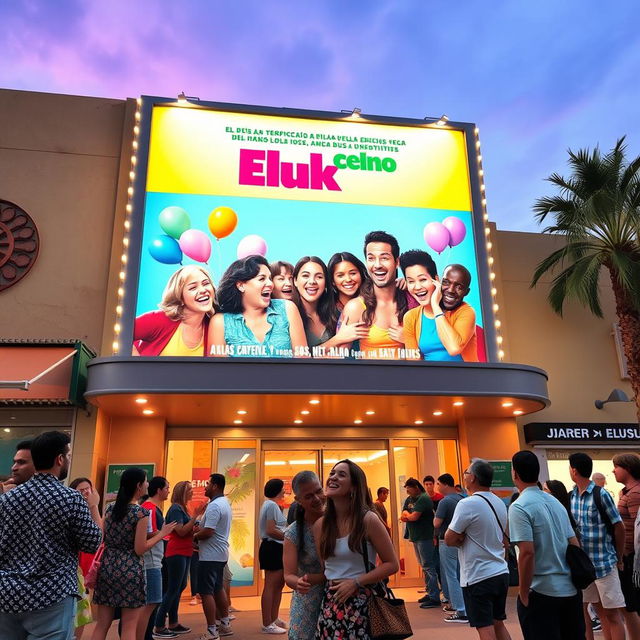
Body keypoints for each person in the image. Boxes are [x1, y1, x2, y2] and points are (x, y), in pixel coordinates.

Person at [0, 431, 102, 640]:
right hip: (51, 594)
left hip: (8, 593)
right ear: (60, 459)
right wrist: (93, 507)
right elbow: (92, 542)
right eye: (68, 456)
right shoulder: (70, 498)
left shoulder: (8, 499)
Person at [314, 459, 399, 638]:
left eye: (341, 474)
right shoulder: (321, 525)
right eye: (332, 473)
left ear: (354, 487)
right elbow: (326, 568)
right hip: (331, 605)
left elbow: (392, 564)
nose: (333, 477)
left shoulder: (368, 520)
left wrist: (356, 582)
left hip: (363, 603)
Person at [92, 468, 175, 640]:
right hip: (130, 570)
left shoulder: (110, 508)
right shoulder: (140, 513)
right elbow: (140, 548)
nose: (147, 484)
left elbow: (102, 536)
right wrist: (161, 534)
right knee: (129, 626)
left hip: (108, 567)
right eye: (145, 481)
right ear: (138, 486)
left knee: (102, 624)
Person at [509, 451, 585, 639]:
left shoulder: (519, 507)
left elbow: (527, 552)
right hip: (569, 589)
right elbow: (574, 543)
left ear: (515, 474)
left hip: (541, 590)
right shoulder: (555, 502)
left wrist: (523, 593)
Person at [445, 458, 512, 640]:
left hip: (478, 575)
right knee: (498, 624)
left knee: (485, 628)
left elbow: (449, 538)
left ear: (472, 478)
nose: (464, 476)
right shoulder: (498, 502)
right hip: (500, 571)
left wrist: (462, 537)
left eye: (466, 472)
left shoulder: (467, 504)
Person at [570, 452, 627, 640]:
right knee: (596, 610)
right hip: (585, 566)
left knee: (613, 614)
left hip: (604, 563)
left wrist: (618, 557)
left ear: (574, 470)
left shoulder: (600, 494)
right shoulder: (573, 496)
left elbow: (618, 526)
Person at [209, 255, 308, 358]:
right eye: (262, 279)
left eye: (270, 278)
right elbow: (218, 371)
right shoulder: (220, 322)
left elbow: (303, 361)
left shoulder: (288, 309)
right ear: (241, 285)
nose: (270, 284)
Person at [400, 250, 478, 361]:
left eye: (422, 279)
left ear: (437, 280)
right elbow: (414, 364)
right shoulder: (411, 317)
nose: (417, 287)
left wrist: (435, 306)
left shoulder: (465, 311)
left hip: (464, 377)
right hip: (429, 377)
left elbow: (454, 348)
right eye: (411, 281)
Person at [341, 230, 407, 359]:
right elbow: (340, 360)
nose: (377, 265)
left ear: (397, 262)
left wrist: (410, 339)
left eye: (384, 258)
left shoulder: (411, 300)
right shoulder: (356, 307)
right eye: (371, 258)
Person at [154, 481, 206, 638]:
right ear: (182, 492)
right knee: (173, 588)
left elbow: (185, 529)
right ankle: (159, 624)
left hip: (185, 551)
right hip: (176, 552)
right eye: (189, 490)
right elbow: (182, 531)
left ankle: (174, 622)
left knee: (179, 586)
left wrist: (193, 524)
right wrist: (195, 516)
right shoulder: (176, 509)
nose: (192, 492)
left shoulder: (182, 508)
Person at [133, 265, 216, 356]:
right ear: (179, 297)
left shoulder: (215, 327)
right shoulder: (158, 320)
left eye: (206, 283)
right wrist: (137, 366)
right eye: (193, 288)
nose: (203, 290)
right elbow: (121, 332)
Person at [283, 470, 326, 640]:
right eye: (308, 496)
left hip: (341, 596)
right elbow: (289, 575)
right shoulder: (293, 532)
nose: (316, 498)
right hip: (308, 600)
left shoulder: (340, 521)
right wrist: (298, 582)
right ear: (298, 500)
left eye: (318, 491)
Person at [194, 473, 233, 639]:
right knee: (218, 588)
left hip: (209, 556)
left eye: (208, 484)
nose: (205, 487)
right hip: (219, 555)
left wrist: (194, 536)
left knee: (206, 592)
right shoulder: (223, 503)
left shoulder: (215, 506)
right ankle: (225, 624)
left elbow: (209, 531)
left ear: (215, 486)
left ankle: (212, 631)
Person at [69, 477, 103, 640]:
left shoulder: (89, 511)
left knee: (81, 616)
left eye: (87, 489)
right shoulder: (72, 510)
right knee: (75, 615)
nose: (84, 493)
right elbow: (97, 534)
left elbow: (100, 535)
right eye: (80, 490)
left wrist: (94, 507)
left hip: (81, 572)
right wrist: (93, 505)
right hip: (72, 571)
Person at [140, 477, 171, 640]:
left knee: (153, 602)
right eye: (167, 487)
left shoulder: (153, 508)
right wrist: (164, 533)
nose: (168, 491)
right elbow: (146, 534)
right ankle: (144, 635)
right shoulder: (150, 508)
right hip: (150, 561)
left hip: (155, 560)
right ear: (159, 490)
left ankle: (147, 634)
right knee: (151, 602)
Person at [612, 453, 640, 638]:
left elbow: (638, 527)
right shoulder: (626, 492)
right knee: (628, 607)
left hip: (632, 558)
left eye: (617, 466)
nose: (613, 470)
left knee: (632, 606)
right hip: (625, 557)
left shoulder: (636, 493)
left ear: (628, 468)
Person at [400, 477, 440, 607]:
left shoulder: (423, 498)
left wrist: (408, 515)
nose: (407, 493)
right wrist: (407, 515)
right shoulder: (410, 499)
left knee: (428, 565)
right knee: (424, 566)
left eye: (409, 490)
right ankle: (429, 592)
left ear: (416, 488)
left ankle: (434, 597)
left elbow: (413, 516)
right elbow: (403, 515)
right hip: (415, 536)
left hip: (425, 536)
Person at [433, 473, 466, 623]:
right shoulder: (462, 498)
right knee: (461, 574)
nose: (437, 487)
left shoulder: (444, 502)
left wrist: (434, 516)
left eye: (438, 484)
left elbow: (436, 523)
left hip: (446, 541)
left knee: (451, 575)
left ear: (445, 484)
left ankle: (459, 609)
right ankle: (463, 606)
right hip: (461, 541)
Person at [258, 478, 288, 634]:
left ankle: (274, 618)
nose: (284, 491)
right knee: (271, 585)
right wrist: (289, 536)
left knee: (278, 585)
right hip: (272, 547)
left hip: (276, 547)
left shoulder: (271, 505)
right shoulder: (271, 505)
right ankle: (267, 623)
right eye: (283, 488)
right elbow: (270, 530)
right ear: (277, 490)